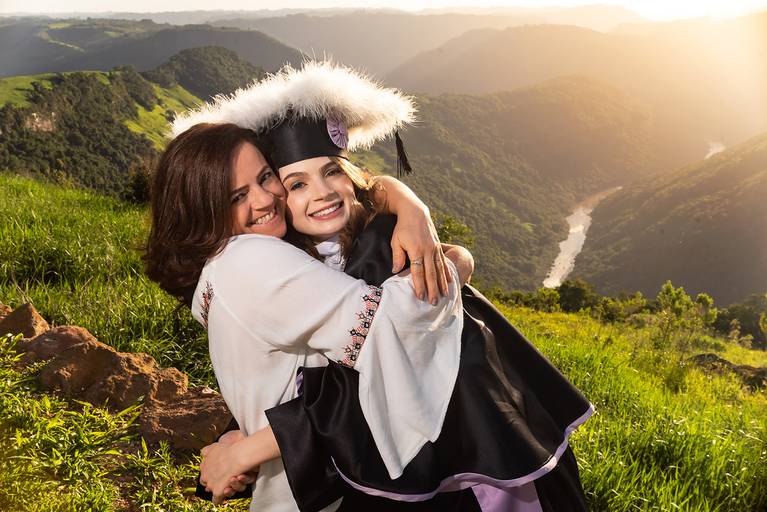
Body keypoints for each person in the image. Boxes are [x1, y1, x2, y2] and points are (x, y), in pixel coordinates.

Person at [184, 61, 594, 511]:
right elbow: (295, 378)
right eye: (295, 183)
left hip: (466, 456)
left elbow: (361, 382)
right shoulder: (288, 263)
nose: (322, 192)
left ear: (351, 175)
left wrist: (441, 250)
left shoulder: (384, 248)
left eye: (332, 172)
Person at [145, 121, 458, 512]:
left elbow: (290, 380)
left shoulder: (218, 272)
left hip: (300, 484)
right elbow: (392, 331)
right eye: (237, 196)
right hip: (334, 488)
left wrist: (406, 201)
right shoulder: (252, 260)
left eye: (265, 178)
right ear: (202, 209)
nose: (265, 200)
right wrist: (454, 265)